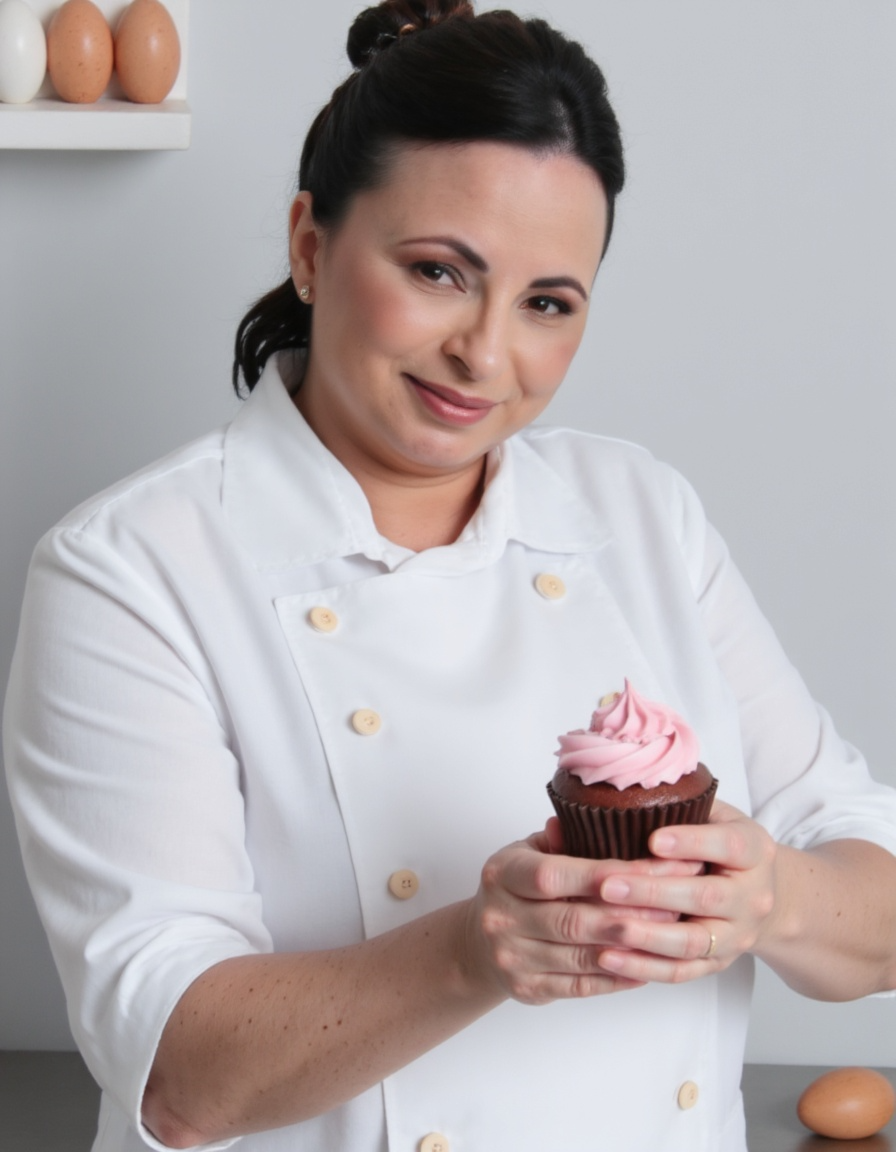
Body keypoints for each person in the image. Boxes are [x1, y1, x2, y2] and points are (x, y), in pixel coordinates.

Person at [4, 2, 896, 1150]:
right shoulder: (132, 569)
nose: (483, 352)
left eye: (545, 303)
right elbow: (178, 1074)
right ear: (310, 247)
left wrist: (768, 894)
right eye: (437, 271)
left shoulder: (640, 514)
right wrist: (479, 949)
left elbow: (873, 898)